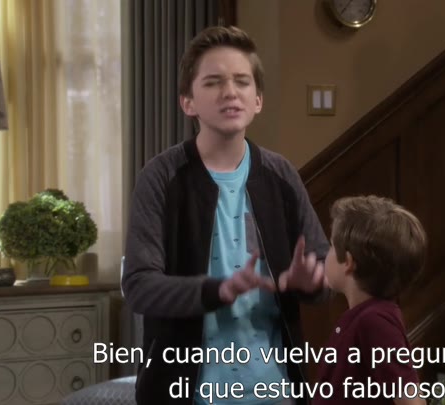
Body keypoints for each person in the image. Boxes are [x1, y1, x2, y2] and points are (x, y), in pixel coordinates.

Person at [122, 25, 330, 405]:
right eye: (214, 82)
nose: (230, 92)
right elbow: (139, 287)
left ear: (258, 100)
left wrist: (311, 280)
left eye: (242, 81)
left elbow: (324, 271)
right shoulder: (161, 177)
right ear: (188, 102)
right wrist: (216, 290)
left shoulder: (281, 175)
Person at [313, 195, 429, 405]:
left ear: (348, 262)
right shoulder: (362, 317)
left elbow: (410, 399)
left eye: (331, 246)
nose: (326, 253)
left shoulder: (375, 322)